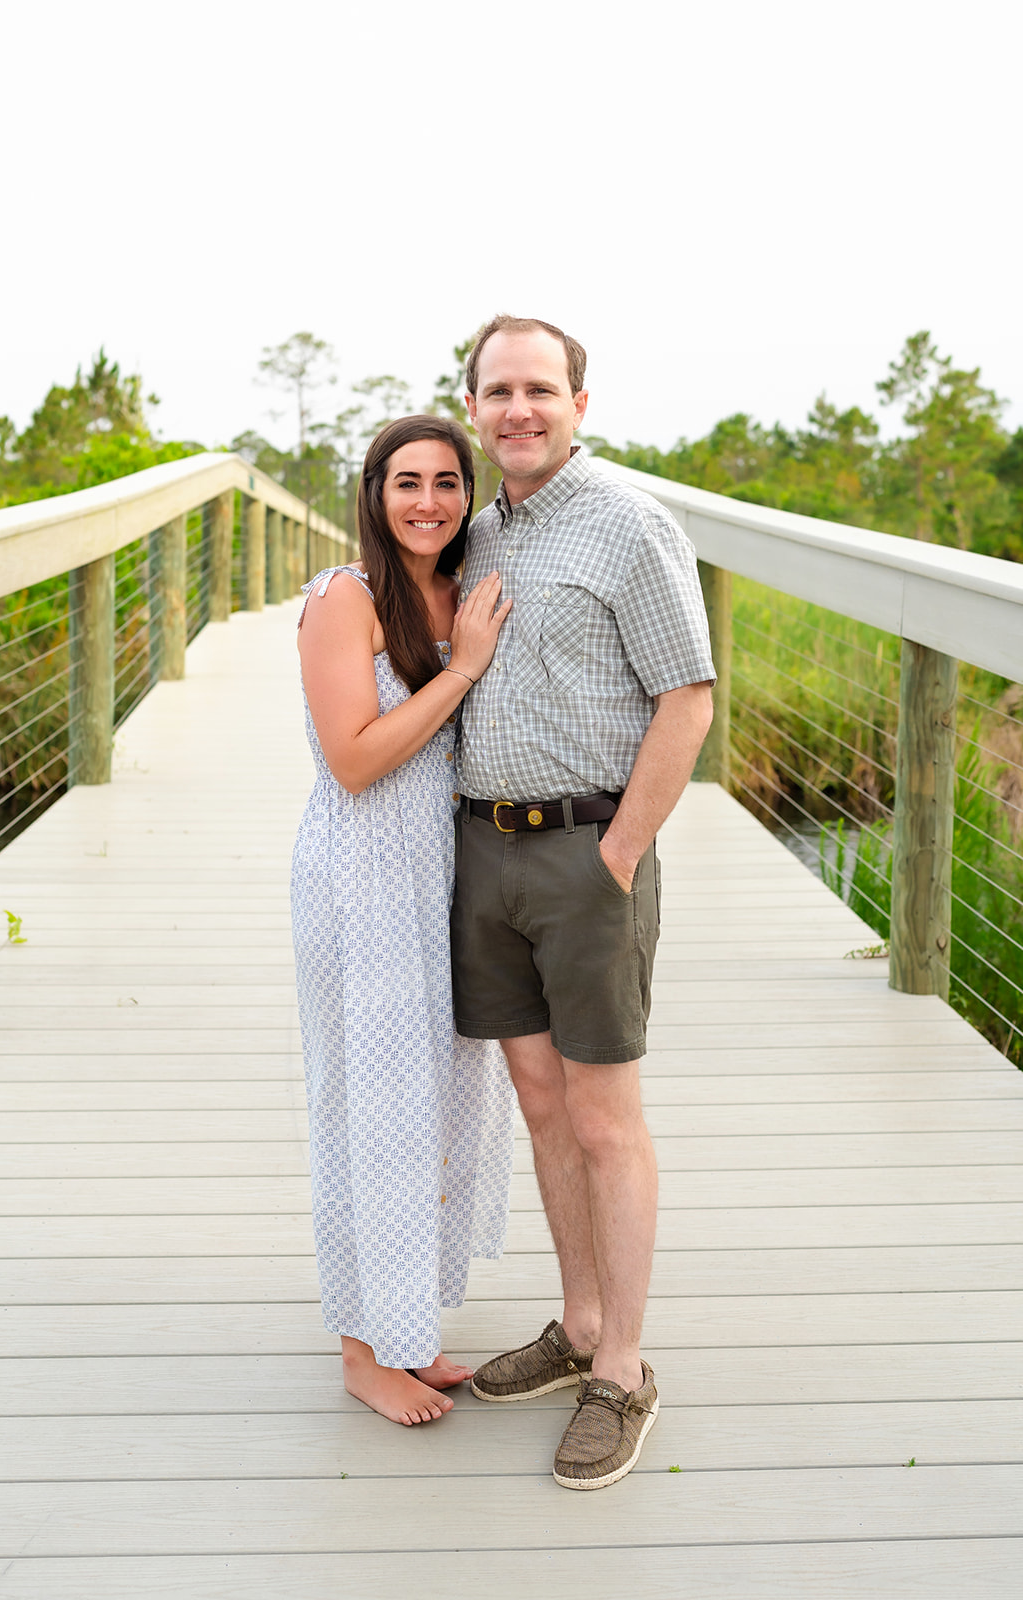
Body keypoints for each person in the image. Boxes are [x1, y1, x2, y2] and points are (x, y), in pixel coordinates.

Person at [451, 316, 716, 1488]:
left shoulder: (628, 524)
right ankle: (572, 1326)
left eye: (538, 390)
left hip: (583, 853)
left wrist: (616, 854)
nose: (518, 408)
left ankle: (622, 1369)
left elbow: (687, 700)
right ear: (473, 406)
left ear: (578, 402)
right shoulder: (473, 532)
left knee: (606, 1119)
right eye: (497, 390)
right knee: (541, 1105)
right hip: (484, 855)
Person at [291, 415, 515, 1427]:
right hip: (361, 878)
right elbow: (353, 758)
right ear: (374, 494)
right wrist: (462, 669)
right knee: (369, 1113)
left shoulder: (463, 591)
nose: (427, 499)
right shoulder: (345, 599)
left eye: (446, 482)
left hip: (446, 877)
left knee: (435, 1111)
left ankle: (407, 1328)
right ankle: (360, 1350)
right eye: (405, 481)